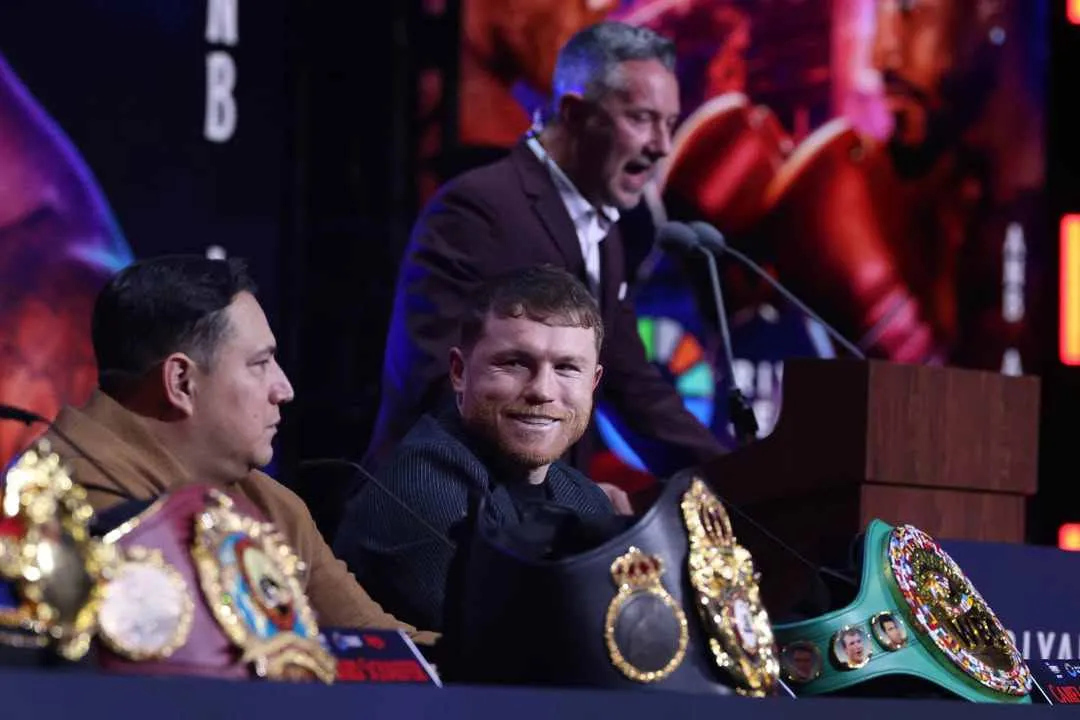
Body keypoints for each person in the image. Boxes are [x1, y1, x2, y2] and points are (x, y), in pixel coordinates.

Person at [368, 21, 727, 480]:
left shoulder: (605, 233)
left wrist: (742, 478)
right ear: (574, 113)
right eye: (641, 118)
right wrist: (569, 495)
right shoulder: (477, 210)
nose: (662, 146)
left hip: (535, 514)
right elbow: (437, 385)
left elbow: (635, 391)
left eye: (669, 124)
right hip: (438, 509)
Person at [28, 255, 435, 642]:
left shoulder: (273, 506)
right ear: (181, 382)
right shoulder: (62, 501)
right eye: (260, 364)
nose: (285, 389)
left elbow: (386, 647)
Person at [336, 266, 618, 631]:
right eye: (515, 363)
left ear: (593, 382)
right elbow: (518, 650)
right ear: (459, 371)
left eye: (566, 368)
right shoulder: (422, 488)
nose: (542, 390)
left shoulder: (586, 498)